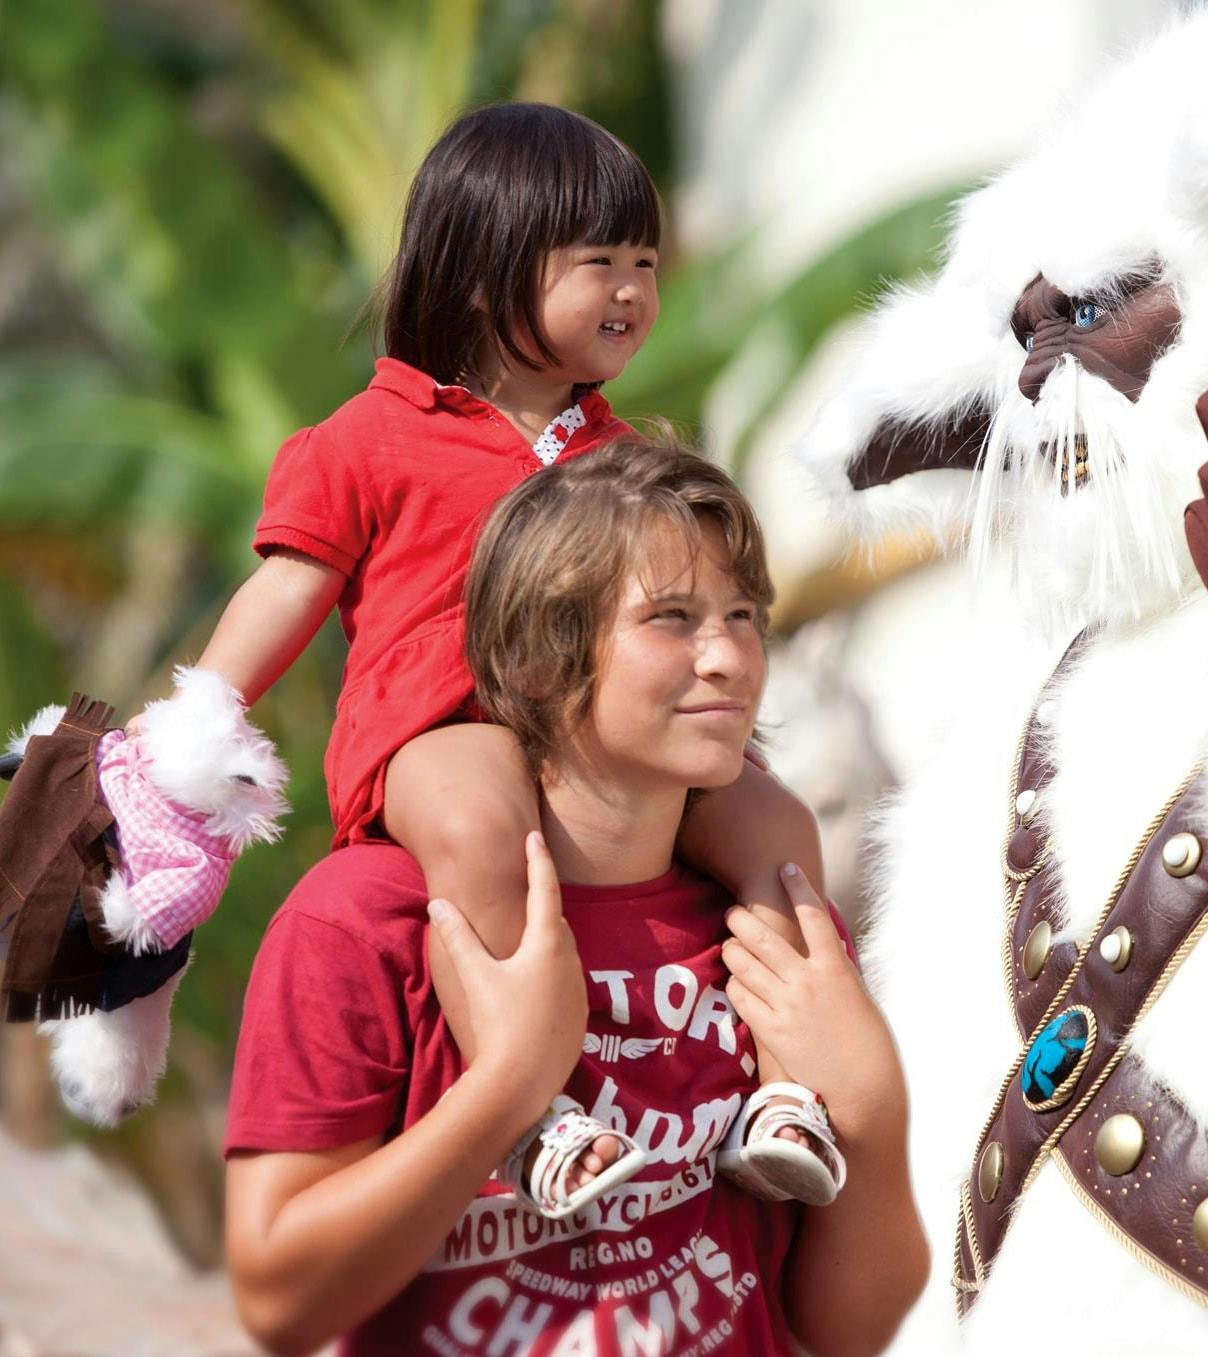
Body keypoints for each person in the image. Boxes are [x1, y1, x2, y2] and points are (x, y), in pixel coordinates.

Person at [145, 102, 839, 1210]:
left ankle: (791, 1092)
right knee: (478, 820)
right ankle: (531, 1114)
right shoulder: (367, 439)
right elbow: (287, 586)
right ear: (481, 275)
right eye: (598, 262)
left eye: (647, 263)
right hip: (439, 728)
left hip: (604, 737)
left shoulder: (624, 456)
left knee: (776, 827)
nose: (631, 290)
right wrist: (196, 724)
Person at [222, 442, 930, 1355]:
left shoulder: (768, 926)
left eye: (743, 614)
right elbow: (281, 1301)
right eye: (670, 618)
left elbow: (848, 1332)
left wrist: (872, 1111)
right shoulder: (367, 923)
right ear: (536, 663)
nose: (727, 656)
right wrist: (509, 1086)